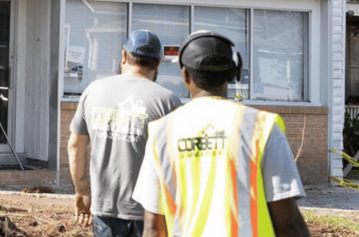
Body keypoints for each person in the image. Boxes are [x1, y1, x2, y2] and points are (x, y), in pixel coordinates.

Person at [132, 31, 310, 237]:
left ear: (185, 75)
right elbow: (288, 222)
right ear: (233, 72)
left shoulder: (162, 132)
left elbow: (154, 227)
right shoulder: (262, 127)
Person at [69, 30, 182, 237]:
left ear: (123, 56)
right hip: (151, 214)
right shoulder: (167, 101)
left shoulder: (93, 91)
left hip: (105, 209)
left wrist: (82, 191)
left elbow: (76, 145)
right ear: (158, 63)